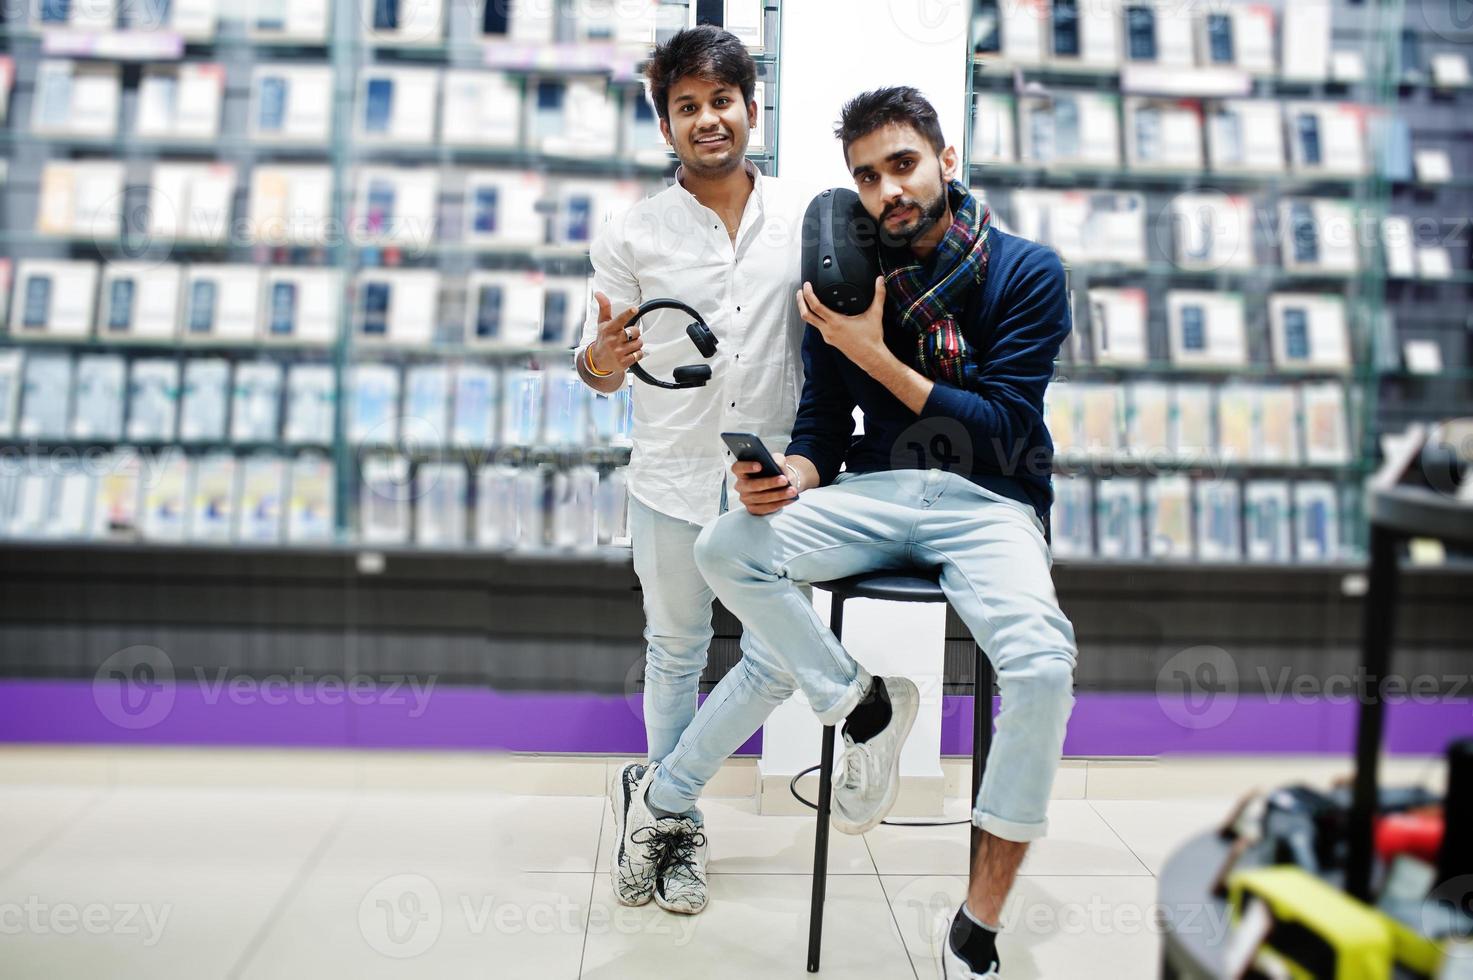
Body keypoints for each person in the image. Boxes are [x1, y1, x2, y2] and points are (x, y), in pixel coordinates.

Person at [691, 87, 1079, 978]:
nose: (885, 191)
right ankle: (861, 706)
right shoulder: (842, 281)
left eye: (900, 164)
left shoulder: (1026, 271)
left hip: (992, 501)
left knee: (1041, 667)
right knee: (727, 546)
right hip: (881, 490)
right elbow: (825, 428)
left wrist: (871, 350)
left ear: (946, 161)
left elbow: (1004, 428)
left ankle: (974, 929)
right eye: (865, 176)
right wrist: (785, 477)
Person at [575, 26, 814, 917]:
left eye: (721, 100)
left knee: (778, 657)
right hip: (670, 477)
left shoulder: (807, 217)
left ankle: (656, 798)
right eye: (686, 106)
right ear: (666, 124)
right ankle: (677, 840)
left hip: (771, 482)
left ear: (752, 107)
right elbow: (593, 373)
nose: (706, 119)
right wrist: (602, 355)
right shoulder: (631, 230)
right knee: (674, 653)